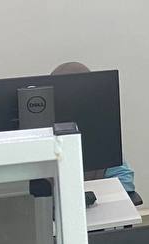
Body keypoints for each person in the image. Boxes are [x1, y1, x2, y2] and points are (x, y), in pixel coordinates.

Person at [51, 61, 139, 203]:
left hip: (97, 204)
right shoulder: (42, 131)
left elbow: (124, 179)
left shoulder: (101, 129)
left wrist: (94, 196)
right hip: (54, 206)